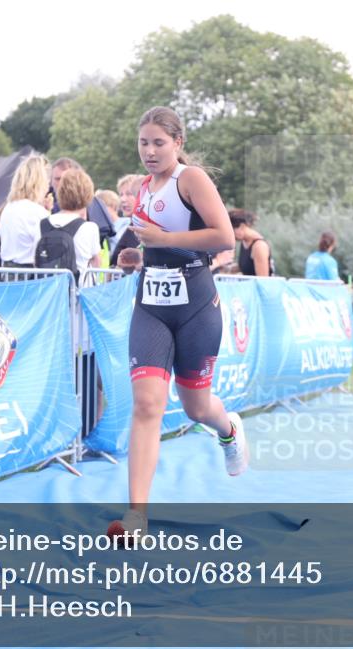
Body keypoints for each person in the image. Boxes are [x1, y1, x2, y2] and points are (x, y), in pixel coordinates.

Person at [108, 106, 248, 541]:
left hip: (196, 307)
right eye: (143, 143)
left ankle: (229, 429)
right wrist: (138, 256)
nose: (149, 151)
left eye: (159, 143)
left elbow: (224, 237)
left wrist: (165, 240)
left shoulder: (191, 179)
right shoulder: (143, 187)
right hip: (151, 304)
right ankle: (136, 518)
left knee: (196, 408)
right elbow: (154, 244)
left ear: (178, 143)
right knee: (147, 404)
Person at [43, 168, 101, 278]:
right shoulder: (89, 227)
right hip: (77, 285)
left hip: (48, 286)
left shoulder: (43, 223)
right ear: (88, 194)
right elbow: (96, 262)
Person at [0, 155, 51, 268]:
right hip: (29, 272)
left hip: (7, 271)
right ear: (40, 182)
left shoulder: (8, 208)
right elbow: (44, 250)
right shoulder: (38, 212)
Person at [109, 174, 146, 267]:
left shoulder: (144, 227)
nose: (123, 199)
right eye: (121, 194)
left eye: (129, 194)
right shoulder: (132, 225)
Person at [229, 208, 273, 277]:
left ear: (242, 226)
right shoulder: (244, 242)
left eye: (232, 231)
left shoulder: (259, 247)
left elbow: (263, 279)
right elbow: (247, 266)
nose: (231, 235)